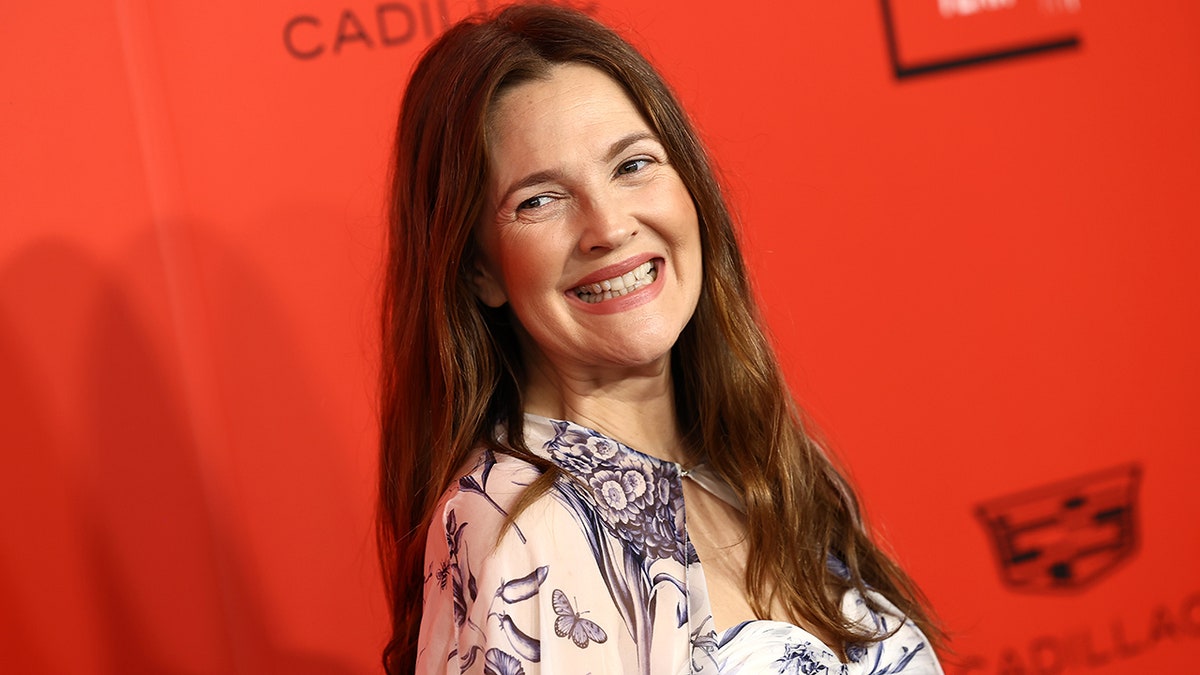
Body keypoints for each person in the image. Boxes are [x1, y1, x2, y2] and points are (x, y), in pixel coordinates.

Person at [378, 4, 944, 674]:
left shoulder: (770, 467)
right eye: (540, 199)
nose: (609, 227)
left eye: (633, 165)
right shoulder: (522, 525)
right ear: (478, 268)